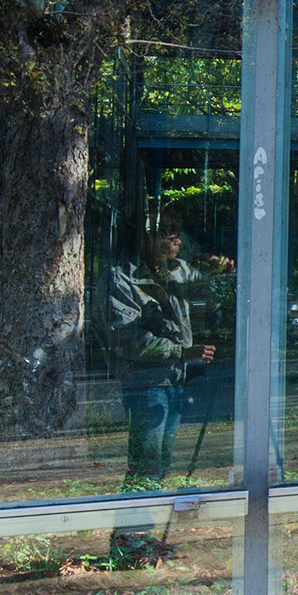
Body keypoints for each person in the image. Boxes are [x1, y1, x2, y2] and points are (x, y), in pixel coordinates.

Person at [98, 213, 216, 565]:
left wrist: (217, 272)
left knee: (159, 462)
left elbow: (202, 292)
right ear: (144, 239)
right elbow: (127, 339)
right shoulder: (120, 278)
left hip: (173, 381)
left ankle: (140, 536)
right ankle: (128, 541)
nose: (174, 240)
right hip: (145, 383)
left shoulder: (173, 273)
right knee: (145, 463)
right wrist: (183, 352)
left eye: (177, 233)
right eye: (165, 234)